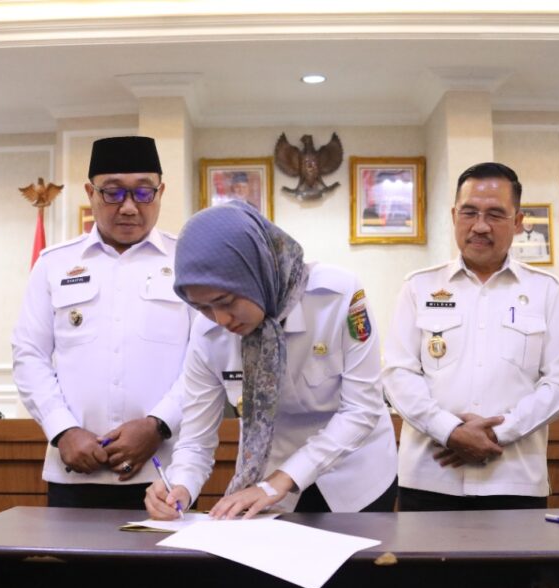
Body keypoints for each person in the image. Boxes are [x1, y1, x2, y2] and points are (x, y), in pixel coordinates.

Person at [145, 200, 397, 520]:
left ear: (256, 274)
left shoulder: (337, 297)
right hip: (269, 486)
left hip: (356, 476)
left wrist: (282, 480)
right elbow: (195, 440)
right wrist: (179, 485)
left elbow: (362, 410)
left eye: (226, 301)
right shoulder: (208, 333)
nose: (220, 319)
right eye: (203, 307)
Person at [383, 162, 559, 512]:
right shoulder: (419, 287)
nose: (480, 225)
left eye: (495, 214)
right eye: (469, 212)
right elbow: (398, 374)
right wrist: (449, 431)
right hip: (430, 476)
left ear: (518, 221)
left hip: (513, 477)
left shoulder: (546, 290)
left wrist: (496, 434)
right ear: (454, 215)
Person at [13, 136, 190, 509]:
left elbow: (204, 360)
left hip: (167, 471)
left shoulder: (188, 262)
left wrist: (158, 425)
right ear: (90, 193)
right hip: (75, 469)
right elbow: (29, 356)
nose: (129, 207)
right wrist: (63, 430)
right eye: (113, 192)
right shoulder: (54, 264)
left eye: (143, 192)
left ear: (161, 193)